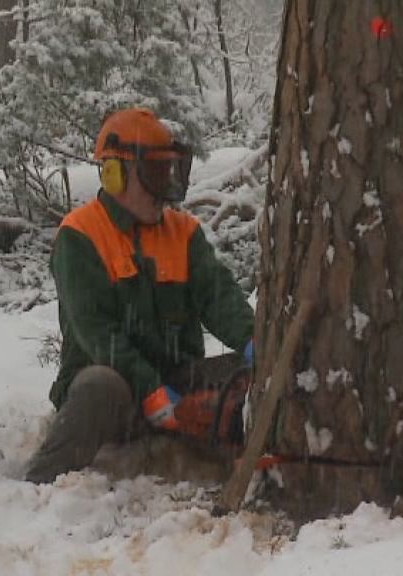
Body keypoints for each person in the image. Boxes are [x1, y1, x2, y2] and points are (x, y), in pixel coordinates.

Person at [25, 108, 255, 484]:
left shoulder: (183, 232)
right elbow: (99, 334)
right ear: (115, 174)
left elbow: (220, 298)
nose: (164, 186)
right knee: (101, 383)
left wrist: (255, 341)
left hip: (178, 383)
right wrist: (153, 394)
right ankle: (41, 483)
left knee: (249, 373)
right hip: (119, 398)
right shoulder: (80, 236)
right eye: (154, 173)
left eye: (169, 171)